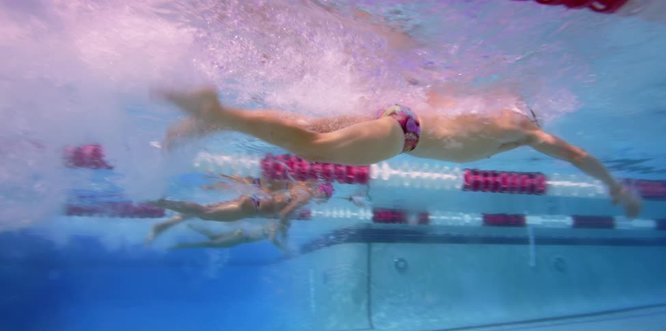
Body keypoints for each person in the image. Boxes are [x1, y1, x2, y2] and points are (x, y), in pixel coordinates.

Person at [158, 86, 641, 218]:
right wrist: (615, 185)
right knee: (314, 145)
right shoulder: (523, 130)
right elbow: (575, 153)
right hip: (403, 134)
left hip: (399, 113)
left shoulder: (498, 118)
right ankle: (217, 113)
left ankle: (209, 120)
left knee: (305, 128)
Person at [146, 178, 335, 245]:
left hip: (252, 202)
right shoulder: (306, 195)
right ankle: (160, 201)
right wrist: (284, 233)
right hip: (251, 208)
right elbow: (286, 214)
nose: (319, 201)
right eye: (323, 199)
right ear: (321, 194)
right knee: (205, 212)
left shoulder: (298, 189)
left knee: (206, 210)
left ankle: (161, 203)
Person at [172, 223, 288, 253]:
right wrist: (282, 248)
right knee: (211, 244)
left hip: (240, 233)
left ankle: (192, 225)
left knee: (213, 236)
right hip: (241, 237)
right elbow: (272, 239)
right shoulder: (275, 227)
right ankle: (181, 245)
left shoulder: (271, 221)